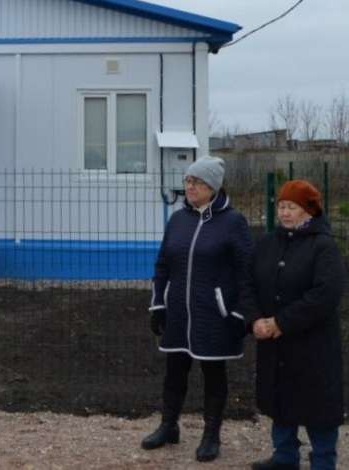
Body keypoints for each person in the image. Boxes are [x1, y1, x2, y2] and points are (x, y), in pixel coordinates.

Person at [143, 156, 253, 463]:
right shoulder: (178, 220)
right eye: (188, 181)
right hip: (179, 312)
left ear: (213, 187)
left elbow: (247, 272)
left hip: (214, 314)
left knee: (213, 374)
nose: (190, 187)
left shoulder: (233, 222)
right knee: (174, 371)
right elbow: (162, 265)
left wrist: (240, 313)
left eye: (197, 182)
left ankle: (211, 435)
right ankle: (168, 425)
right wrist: (158, 303)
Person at [242, 180, 344, 470]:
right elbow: (247, 284)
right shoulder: (266, 243)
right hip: (275, 343)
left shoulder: (323, 246)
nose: (285, 213)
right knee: (280, 400)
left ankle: (323, 461)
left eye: (292, 207)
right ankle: (285, 456)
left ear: (309, 211)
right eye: (282, 206)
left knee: (318, 407)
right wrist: (254, 319)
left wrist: (281, 322)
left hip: (313, 345)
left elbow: (325, 295)